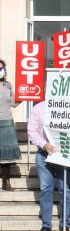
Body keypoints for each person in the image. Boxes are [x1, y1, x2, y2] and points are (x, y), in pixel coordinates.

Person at [28, 101, 70, 231]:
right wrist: (44, 144)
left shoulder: (69, 105)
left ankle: (64, 224)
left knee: (65, 189)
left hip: (62, 153)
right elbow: (31, 130)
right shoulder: (38, 108)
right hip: (43, 153)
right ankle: (46, 225)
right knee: (46, 189)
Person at [0, 59, 21, 191]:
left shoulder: (8, 85)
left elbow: (13, 103)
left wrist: (24, 96)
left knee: (7, 154)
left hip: (7, 121)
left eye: (2, 68)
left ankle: (6, 181)